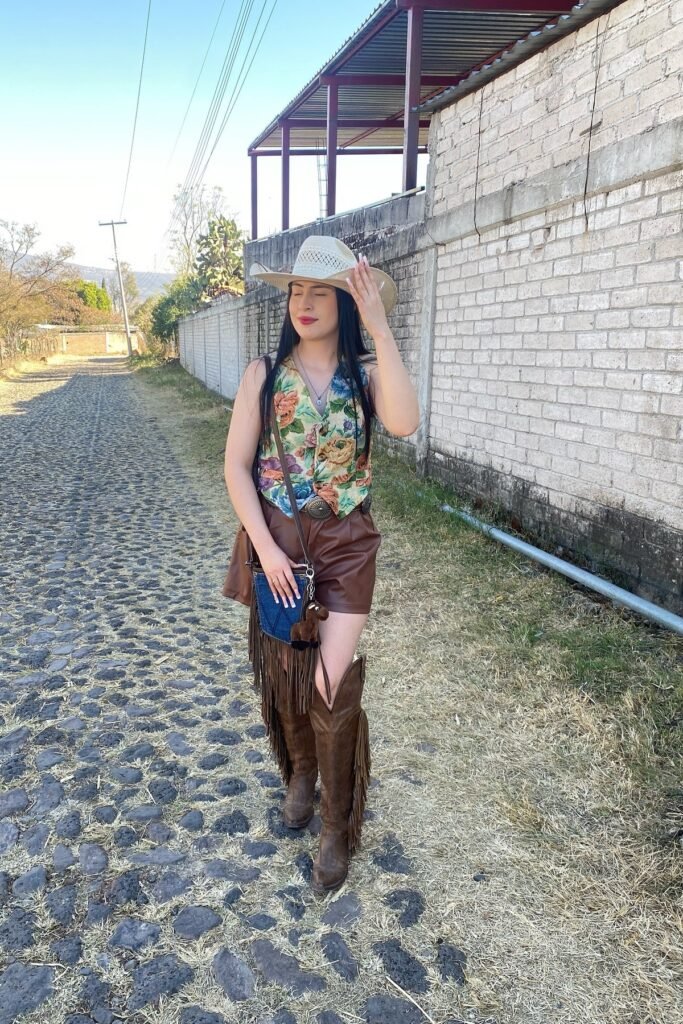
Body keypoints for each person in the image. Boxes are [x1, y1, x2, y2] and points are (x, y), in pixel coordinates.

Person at [224, 235, 419, 893]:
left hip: (346, 545)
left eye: (318, 291)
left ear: (343, 299)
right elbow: (234, 467)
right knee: (286, 675)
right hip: (276, 543)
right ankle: (300, 773)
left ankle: (337, 825)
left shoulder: (363, 377)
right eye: (295, 291)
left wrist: (379, 329)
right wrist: (267, 548)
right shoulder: (261, 374)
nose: (303, 303)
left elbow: (402, 423)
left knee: (329, 687)